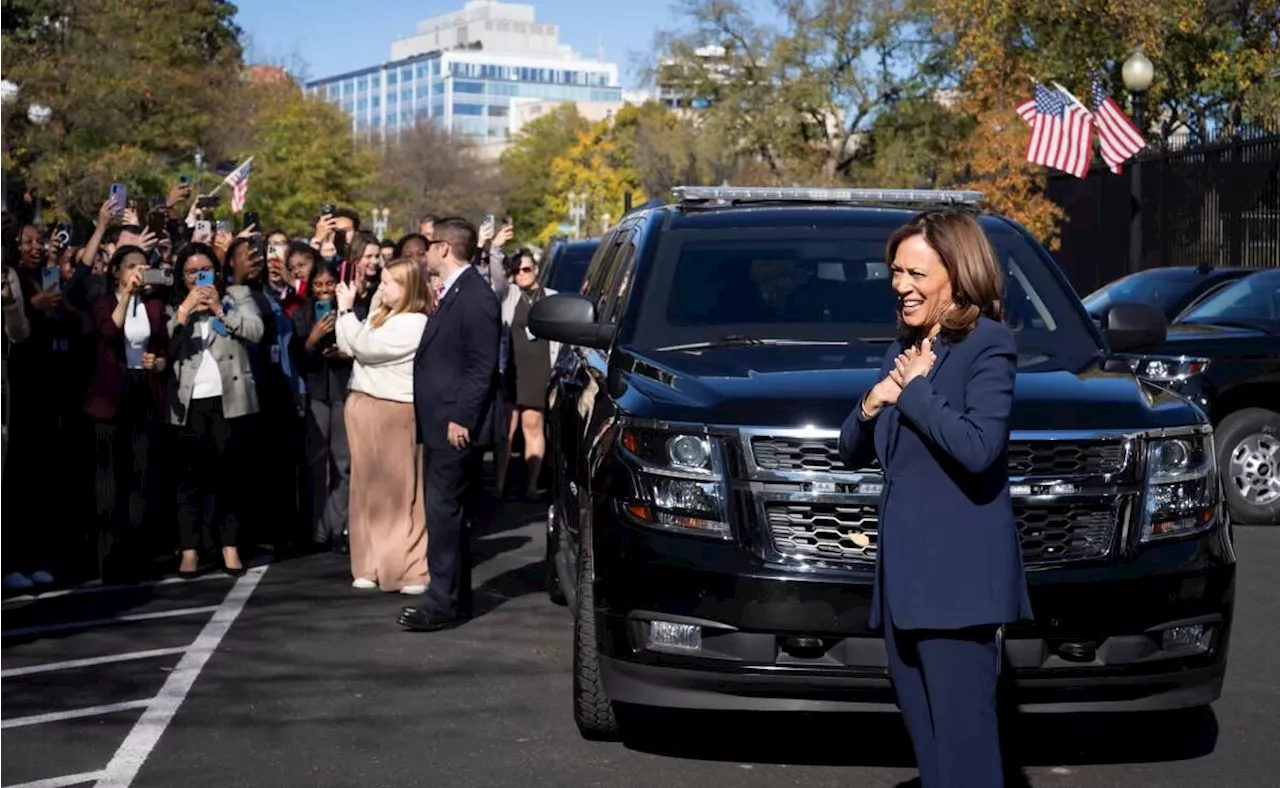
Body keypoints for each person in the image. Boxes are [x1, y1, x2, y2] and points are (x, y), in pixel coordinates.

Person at [837, 209, 1030, 788]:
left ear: (956, 273)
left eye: (916, 273)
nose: (901, 286)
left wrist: (915, 390)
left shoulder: (988, 347)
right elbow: (851, 450)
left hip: (958, 589)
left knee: (966, 758)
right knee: (933, 755)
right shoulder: (909, 346)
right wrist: (875, 401)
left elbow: (979, 448)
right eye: (895, 272)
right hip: (904, 586)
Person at [399, 218, 500, 632]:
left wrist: (463, 416)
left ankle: (442, 601)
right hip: (442, 419)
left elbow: (481, 365)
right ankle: (454, 596)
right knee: (447, 514)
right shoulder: (458, 290)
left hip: (453, 423)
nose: (425, 255)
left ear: (444, 248)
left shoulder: (475, 295)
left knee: (443, 512)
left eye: (429, 246)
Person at [168, 243, 264, 578]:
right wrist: (184, 310)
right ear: (181, 275)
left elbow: (256, 331)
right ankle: (190, 548)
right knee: (189, 477)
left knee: (229, 475)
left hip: (230, 398)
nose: (199, 278)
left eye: (204, 270)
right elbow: (163, 344)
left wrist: (221, 311)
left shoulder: (235, 295)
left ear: (217, 272)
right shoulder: (174, 303)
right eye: (191, 272)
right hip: (188, 401)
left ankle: (229, 545)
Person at [335, 257, 430, 594]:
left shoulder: (415, 322)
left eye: (390, 282)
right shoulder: (383, 313)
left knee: (401, 490)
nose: (382, 286)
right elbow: (348, 345)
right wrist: (357, 310)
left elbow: (366, 347)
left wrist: (347, 312)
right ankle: (369, 563)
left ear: (408, 289)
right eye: (383, 280)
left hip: (396, 408)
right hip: (363, 402)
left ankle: (407, 567)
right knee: (364, 486)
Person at [85, 246, 169, 582]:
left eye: (143, 266)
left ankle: (138, 554)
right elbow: (108, 331)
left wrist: (158, 362)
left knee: (141, 472)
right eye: (131, 266)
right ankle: (108, 559)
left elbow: (161, 345)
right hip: (109, 395)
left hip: (142, 388)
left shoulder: (154, 305)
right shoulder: (105, 301)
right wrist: (126, 295)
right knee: (109, 478)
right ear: (118, 271)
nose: (137, 272)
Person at [292, 261, 353, 554]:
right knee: (317, 465)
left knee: (344, 463)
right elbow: (299, 359)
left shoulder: (351, 311)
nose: (325, 290)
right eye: (318, 285)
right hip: (316, 392)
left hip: (343, 391)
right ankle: (317, 530)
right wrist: (312, 339)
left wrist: (345, 350)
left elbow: (361, 346)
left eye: (329, 284)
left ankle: (338, 527)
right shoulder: (302, 315)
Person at [490, 246, 559, 499]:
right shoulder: (509, 295)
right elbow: (496, 276)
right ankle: (499, 485)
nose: (522, 273)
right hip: (512, 369)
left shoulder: (551, 297)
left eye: (526, 269)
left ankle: (531, 485)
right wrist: (495, 248)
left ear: (537, 270)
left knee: (533, 426)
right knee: (507, 430)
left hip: (539, 370)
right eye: (517, 270)